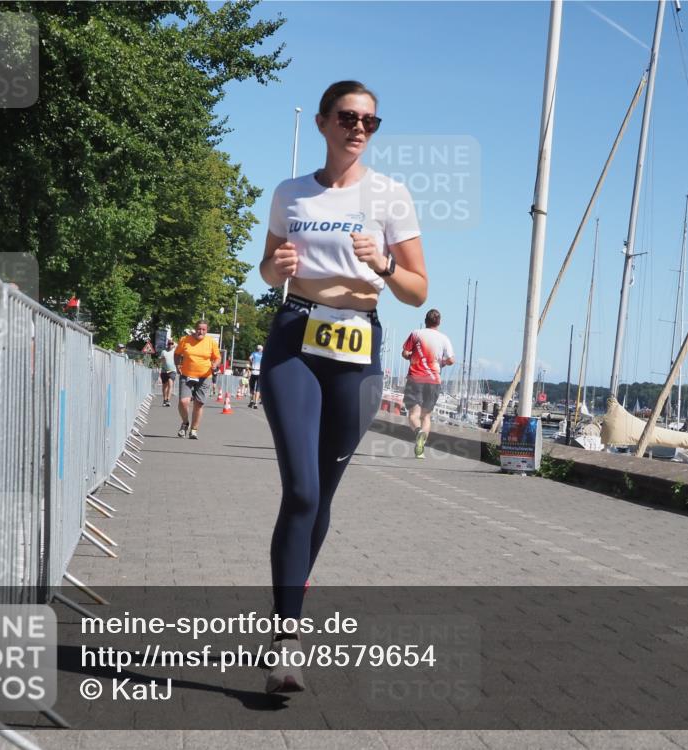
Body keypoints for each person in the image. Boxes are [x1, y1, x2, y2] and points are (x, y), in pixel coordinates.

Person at [258, 80, 426, 693]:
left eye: (371, 122)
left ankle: (288, 608)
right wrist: (272, 268)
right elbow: (269, 260)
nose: (360, 128)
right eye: (350, 118)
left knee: (322, 494)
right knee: (300, 489)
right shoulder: (291, 193)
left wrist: (383, 264)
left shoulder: (391, 197)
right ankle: (285, 637)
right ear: (326, 122)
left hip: (358, 347)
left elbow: (417, 289)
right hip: (296, 338)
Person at [401, 309, 455, 458]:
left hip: (415, 378)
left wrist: (412, 356)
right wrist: (441, 363)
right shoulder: (444, 339)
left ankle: (418, 432)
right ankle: (421, 450)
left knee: (413, 415)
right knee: (426, 416)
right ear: (439, 322)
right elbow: (451, 360)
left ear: (425, 320)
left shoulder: (416, 334)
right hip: (433, 381)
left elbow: (405, 353)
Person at [174, 321, 221, 440]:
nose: (201, 331)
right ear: (195, 329)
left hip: (204, 376)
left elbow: (217, 357)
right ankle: (185, 423)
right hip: (186, 374)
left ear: (207, 330)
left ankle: (194, 430)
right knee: (183, 402)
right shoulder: (185, 339)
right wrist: (177, 365)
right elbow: (177, 353)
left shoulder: (211, 342)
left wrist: (215, 364)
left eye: (204, 329)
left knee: (198, 403)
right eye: (199, 329)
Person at [159, 340, 177, 406]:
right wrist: (161, 359)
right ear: (167, 344)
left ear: (173, 345)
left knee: (170, 384)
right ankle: (164, 399)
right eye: (169, 344)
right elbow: (160, 360)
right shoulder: (164, 352)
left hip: (172, 370)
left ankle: (168, 400)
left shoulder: (175, 351)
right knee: (164, 386)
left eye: (171, 344)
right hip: (164, 370)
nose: (170, 345)